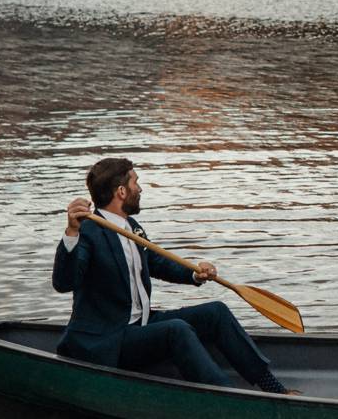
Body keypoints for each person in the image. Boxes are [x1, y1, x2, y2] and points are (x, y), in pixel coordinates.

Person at [53, 157, 292, 393]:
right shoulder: (88, 231)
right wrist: (71, 232)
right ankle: (230, 398)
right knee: (176, 329)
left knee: (216, 312)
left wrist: (195, 274)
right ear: (122, 192)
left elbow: (156, 263)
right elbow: (63, 282)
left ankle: (273, 387)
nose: (140, 188)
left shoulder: (131, 227)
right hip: (109, 338)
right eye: (136, 182)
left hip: (141, 324)